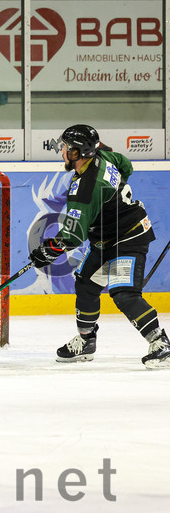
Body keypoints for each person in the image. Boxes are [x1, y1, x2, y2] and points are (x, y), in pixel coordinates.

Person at [29, 124, 170, 369]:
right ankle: (86, 341)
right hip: (105, 239)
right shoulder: (103, 155)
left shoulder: (85, 188)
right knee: (85, 282)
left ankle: (161, 343)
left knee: (124, 293)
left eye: (66, 147)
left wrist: (49, 249)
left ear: (76, 153)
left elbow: (73, 235)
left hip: (129, 237)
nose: (62, 150)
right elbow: (126, 165)